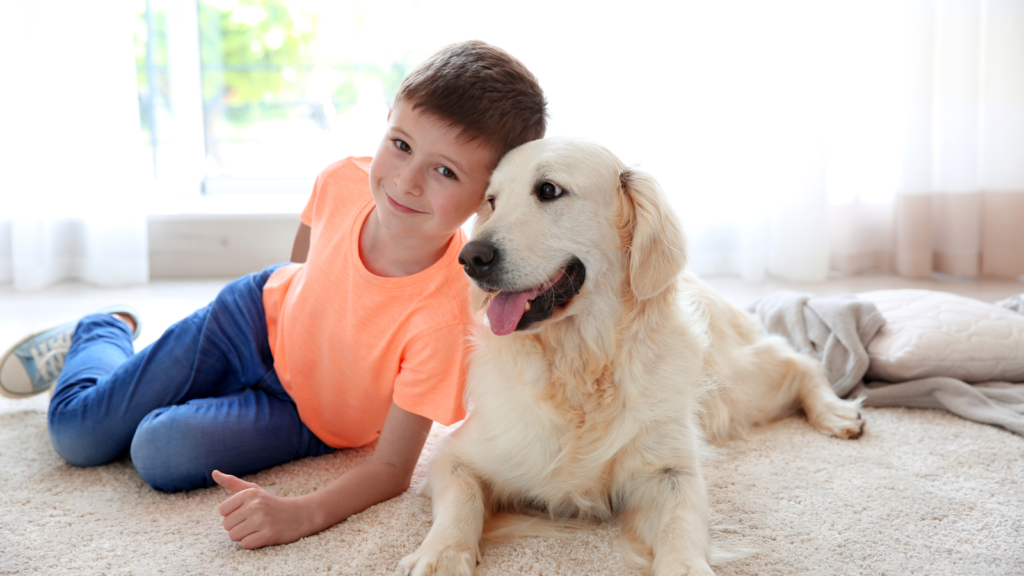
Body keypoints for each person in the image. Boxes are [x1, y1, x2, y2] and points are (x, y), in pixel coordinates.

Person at [0, 40, 547, 550]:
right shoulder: (342, 181)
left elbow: (392, 470)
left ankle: (147, 380)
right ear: (385, 124)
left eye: (445, 171)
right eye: (400, 145)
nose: (406, 181)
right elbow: (301, 266)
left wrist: (299, 513)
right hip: (246, 322)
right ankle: (104, 329)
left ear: (488, 196)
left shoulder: (446, 315)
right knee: (77, 435)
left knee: (158, 453)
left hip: (306, 418)